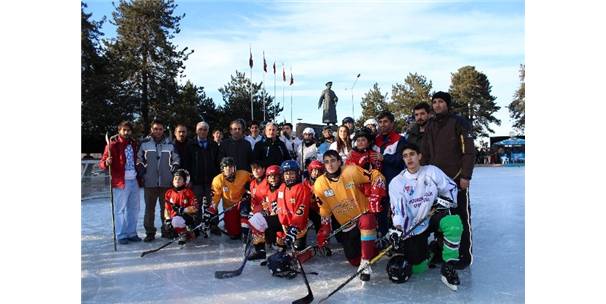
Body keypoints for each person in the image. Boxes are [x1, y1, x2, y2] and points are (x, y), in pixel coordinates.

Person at [386, 142, 462, 290]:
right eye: (405, 156)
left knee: (453, 223)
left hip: (432, 216)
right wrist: (398, 228)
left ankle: (448, 267)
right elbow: (398, 210)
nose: (409, 159)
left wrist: (446, 201)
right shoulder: (397, 182)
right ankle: (433, 250)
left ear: (419, 156)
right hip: (414, 226)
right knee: (418, 268)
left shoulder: (432, 172)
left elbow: (451, 188)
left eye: (412, 154)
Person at [313, 150, 387, 281]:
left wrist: (376, 195)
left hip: (363, 216)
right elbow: (324, 208)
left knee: (367, 220)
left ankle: (365, 261)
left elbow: (377, 175)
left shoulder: (351, 171)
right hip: (347, 225)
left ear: (340, 162)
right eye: (326, 162)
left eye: (333, 161)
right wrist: (324, 228)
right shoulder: (319, 183)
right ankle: (374, 248)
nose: (330, 164)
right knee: (353, 260)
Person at [421, 91, 475, 270]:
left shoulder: (459, 123)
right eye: (434, 102)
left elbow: (469, 152)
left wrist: (465, 176)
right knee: (439, 218)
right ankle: (440, 251)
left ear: (447, 104)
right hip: (435, 182)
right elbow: (425, 152)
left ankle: (464, 255)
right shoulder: (430, 125)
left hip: (456, 180)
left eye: (441, 102)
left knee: (460, 217)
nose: (437, 105)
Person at [137, 119, 180, 242]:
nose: (158, 131)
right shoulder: (144, 143)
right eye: (155, 129)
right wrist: (143, 172)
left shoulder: (170, 144)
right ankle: (150, 232)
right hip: (150, 182)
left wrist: (173, 171)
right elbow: (139, 159)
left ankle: (166, 230)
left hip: (166, 182)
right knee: (149, 209)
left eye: (160, 129)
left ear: (163, 130)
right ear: (152, 129)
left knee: (166, 209)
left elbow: (176, 159)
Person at [99, 121, 142, 245]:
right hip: (121, 182)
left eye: (128, 130)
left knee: (134, 208)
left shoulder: (133, 144)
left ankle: (131, 233)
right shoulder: (112, 145)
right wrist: (106, 162)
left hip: (134, 180)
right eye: (124, 130)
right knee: (120, 210)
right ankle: (121, 234)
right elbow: (102, 163)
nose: (126, 132)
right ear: (119, 131)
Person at [375, 110, 409, 238]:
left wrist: (384, 158)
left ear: (392, 123)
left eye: (385, 122)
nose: (382, 124)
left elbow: (401, 158)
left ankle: (399, 238)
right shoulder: (375, 140)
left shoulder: (400, 139)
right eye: (380, 122)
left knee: (396, 211)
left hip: (394, 181)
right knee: (381, 212)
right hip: (378, 183)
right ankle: (385, 237)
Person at [186, 121, 220, 233]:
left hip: (211, 181)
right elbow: (188, 163)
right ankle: (197, 226)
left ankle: (213, 225)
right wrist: (189, 179)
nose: (202, 131)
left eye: (205, 129)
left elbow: (217, 162)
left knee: (212, 204)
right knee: (196, 204)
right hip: (196, 181)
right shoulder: (190, 145)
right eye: (200, 129)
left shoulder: (213, 145)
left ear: (208, 131)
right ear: (196, 130)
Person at [209, 157, 253, 240]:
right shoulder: (217, 180)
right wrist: (211, 210)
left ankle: (246, 233)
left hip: (243, 202)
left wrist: (250, 187)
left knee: (244, 214)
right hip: (229, 207)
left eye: (231, 167)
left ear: (235, 167)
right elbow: (215, 197)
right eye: (226, 167)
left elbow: (256, 181)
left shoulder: (244, 174)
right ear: (222, 168)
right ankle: (235, 228)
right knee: (233, 233)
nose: (228, 169)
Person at [247, 164, 283, 260]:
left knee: (257, 221)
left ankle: (275, 242)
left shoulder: (283, 187)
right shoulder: (269, 190)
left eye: (276, 176)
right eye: (270, 177)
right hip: (275, 218)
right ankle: (261, 250)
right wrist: (259, 210)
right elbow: (266, 204)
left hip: (285, 220)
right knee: (255, 218)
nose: (273, 179)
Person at [163, 169, 199, 245]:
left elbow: (195, 208)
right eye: (175, 178)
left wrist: (184, 209)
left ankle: (185, 233)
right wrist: (168, 219)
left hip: (186, 218)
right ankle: (179, 232)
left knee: (176, 221)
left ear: (184, 181)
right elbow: (167, 209)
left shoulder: (188, 192)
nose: (177, 180)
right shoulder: (168, 193)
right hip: (174, 218)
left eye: (180, 179)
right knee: (169, 225)